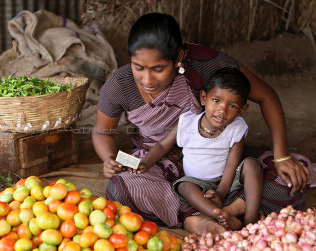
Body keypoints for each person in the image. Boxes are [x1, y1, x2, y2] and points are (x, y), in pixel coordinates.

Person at [92, 12, 312, 234]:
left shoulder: (205, 64)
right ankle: (201, 217)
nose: (147, 80)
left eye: (158, 69)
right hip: (157, 162)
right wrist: (110, 159)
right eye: (138, 67)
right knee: (121, 188)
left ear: (178, 58)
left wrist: (282, 156)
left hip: (218, 156)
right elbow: (102, 132)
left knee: (291, 179)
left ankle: (224, 209)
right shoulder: (120, 84)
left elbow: (266, 95)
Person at [132, 67, 262, 230]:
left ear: (243, 110)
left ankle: (251, 220)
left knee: (252, 165)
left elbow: (232, 163)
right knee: (183, 186)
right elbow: (163, 145)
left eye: (233, 106)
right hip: (196, 183)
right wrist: (145, 162)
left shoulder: (237, 128)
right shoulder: (187, 122)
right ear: (203, 98)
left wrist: (220, 193)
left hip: (226, 182)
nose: (222, 110)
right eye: (216, 101)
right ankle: (219, 214)